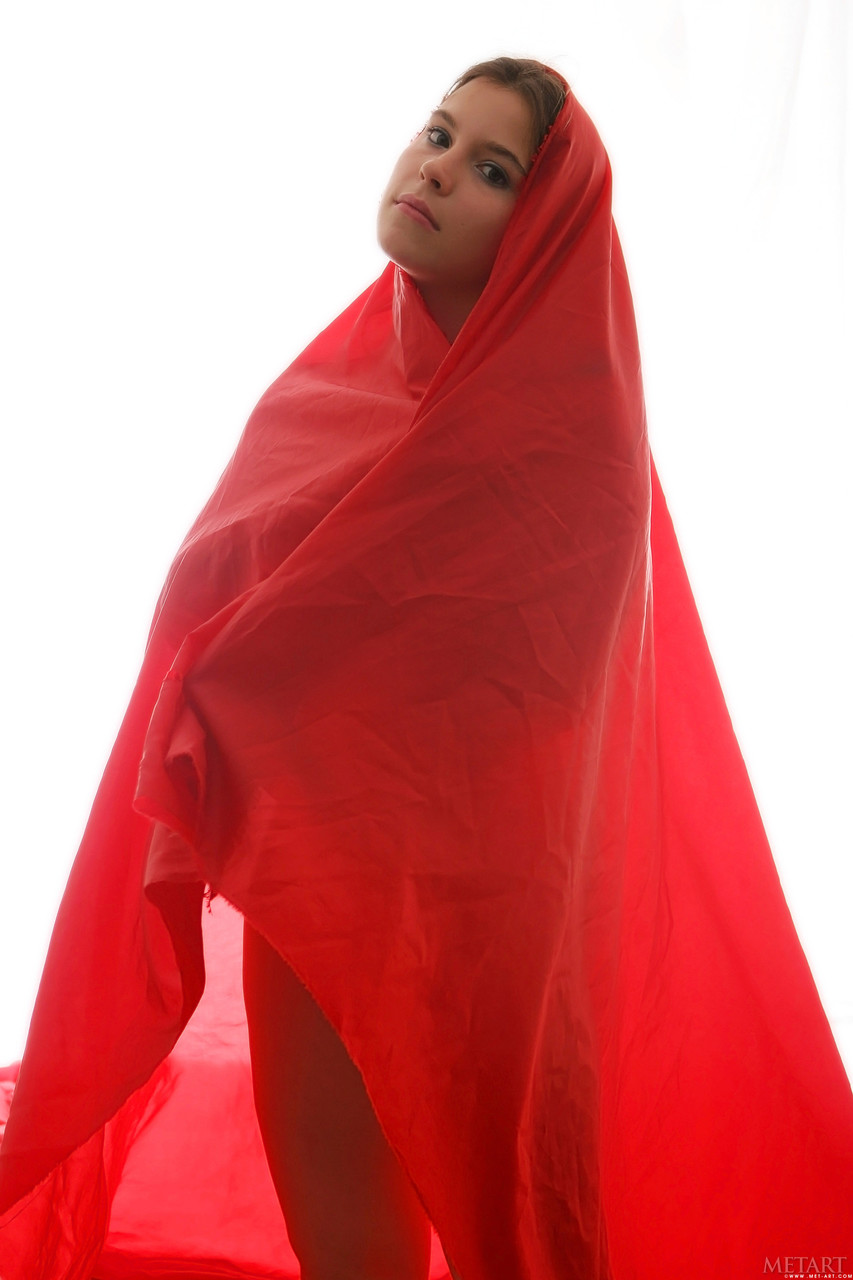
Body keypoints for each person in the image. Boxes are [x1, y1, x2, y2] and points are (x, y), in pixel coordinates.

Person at [1, 55, 851, 1280]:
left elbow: (520, 692)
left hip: (461, 919)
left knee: (468, 1225)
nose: (439, 169)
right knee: (342, 1238)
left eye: (492, 169)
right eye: (440, 134)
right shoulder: (330, 389)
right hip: (311, 883)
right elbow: (237, 605)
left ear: (542, 229)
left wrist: (258, 679)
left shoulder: (570, 450)